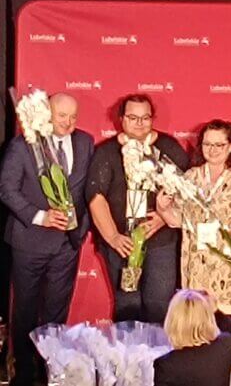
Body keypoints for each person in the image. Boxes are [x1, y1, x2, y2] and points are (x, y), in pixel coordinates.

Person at [0, 93, 94, 386]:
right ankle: (25, 373)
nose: (68, 123)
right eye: (61, 115)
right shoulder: (23, 145)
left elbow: (88, 189)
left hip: (68, 243)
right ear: (46, 113)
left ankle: (51, 370)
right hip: (30, 241)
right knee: (26, 311)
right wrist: (41, 216)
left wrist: (82, 228)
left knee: (57, 311)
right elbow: (7, 190)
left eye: (73, 117)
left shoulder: (85, 141)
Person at [86, 93, 189, 323]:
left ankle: (158, 347)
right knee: (127, 304)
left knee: (159, 304)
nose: (139, 123)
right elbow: (95, 197)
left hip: (161, 240)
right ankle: (128, 347)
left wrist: (163, 217)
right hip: (122, 243)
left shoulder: (168, 148)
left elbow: (187, 188)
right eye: (133, 117)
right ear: (121, 119)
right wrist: (113, 237)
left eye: (145, 118)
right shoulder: (106, 152)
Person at [156, 120, 231, 316]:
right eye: (207, 144)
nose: (212, 150)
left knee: (227, 325)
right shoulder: (191, 177)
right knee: (198, 322)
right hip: (198, 265)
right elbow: (177, 220)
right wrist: (162, 208)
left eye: (219, 145)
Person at [153, 289, 231, 386]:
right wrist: (216, 312)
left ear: (172, 322)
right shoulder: (224, 346)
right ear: (208, 319)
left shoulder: (165, 365)